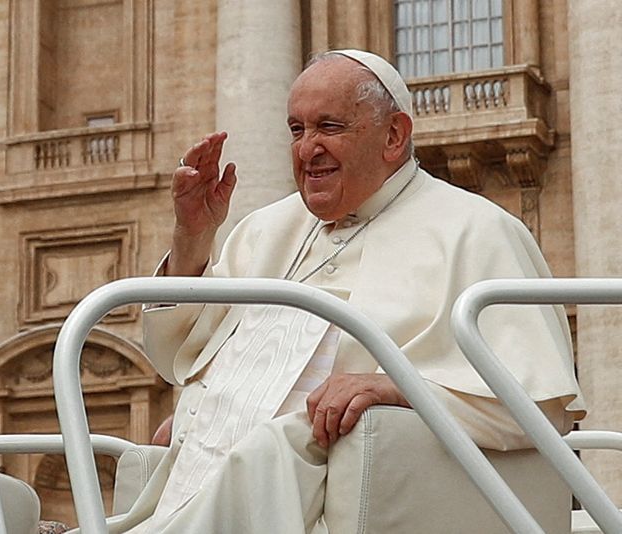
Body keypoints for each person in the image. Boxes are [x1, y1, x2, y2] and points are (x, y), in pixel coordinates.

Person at [112, 49, 584, 534]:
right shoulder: (266, 228)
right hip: (203, 484)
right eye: (297, 130)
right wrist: (192, 236)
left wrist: (397, 387)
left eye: (329, 127)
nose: (306, 149)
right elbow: (174, 354)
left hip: (319, 495)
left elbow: (539, 409)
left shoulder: (479, 231)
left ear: (394, 136)